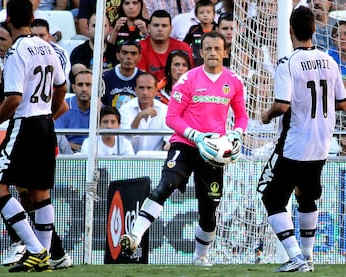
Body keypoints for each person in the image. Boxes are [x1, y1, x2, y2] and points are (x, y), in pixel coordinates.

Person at [119, 31, 248, 266]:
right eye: (208, 48)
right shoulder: (188, 80)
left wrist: (237, 135)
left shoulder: (234, 82)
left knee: (208, 210)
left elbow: (241, 117)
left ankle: (200, 257)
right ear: (200, 52)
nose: (212, 53)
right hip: (186, 144)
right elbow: (172, 117)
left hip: (213, 152)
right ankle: (135, 235)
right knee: (165, 185)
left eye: (217, 49)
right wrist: (195, 136)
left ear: (225, 52)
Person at [257, 6, 346, 273]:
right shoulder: (329, 61)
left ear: (290, 30)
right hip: (321, 144)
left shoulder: (288, 63)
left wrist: (265, 115)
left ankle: (296, 257)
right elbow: (342, 103)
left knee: (271, 197)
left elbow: (282, 105)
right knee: (306, 198)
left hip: (295, 143)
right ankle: (308, 257)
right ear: (315, 30)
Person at [0, 0, 68, 272]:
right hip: (45, 123)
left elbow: (14, 99)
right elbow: (62, 87)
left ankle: (36, 250)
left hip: (26, 123)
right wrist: (49, 115)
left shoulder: (16, 51)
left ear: (7, 20)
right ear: (32, 18)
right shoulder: (48, 47)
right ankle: (42, 257)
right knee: (40, 191)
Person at [119, 72, 171, 153]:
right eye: (141, 88)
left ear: (156, 90)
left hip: (157, 161)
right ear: (135, 90)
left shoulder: (164, 110)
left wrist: (168, 145)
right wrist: (139, 117)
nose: (145, 92)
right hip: (130, 160)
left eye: (149, 88)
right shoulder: (125, 109)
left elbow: (169, 138)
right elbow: (125, 140)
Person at [137, 9, 194, 81]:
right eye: (156, 25)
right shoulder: (139, 48)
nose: (160, 29)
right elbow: (141, 80)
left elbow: (191, 78)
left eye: (164, 26)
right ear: (148, 28)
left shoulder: (183, 48)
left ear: (171, 29)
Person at [55, 70, 91, 153]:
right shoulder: (63, 107)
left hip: (93, 152)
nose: (84, 89)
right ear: (74, 87)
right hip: (68, 153)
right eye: (80, 85)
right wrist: (83, 149)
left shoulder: (100, 108)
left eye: (88, 85)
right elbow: (58, 138)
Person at [30, 18, 71, 88]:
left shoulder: (60, 54)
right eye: (34, 36)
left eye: (42, 35)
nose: (38, 39)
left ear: (49, 36)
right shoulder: (23, 51)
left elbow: (61, 84)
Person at [102, 39, 142, 109]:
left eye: (133, 53)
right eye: (125, 53)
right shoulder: (105, 78)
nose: (129, 57)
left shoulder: (144, 79)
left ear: (139, 57)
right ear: (117, 56)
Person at [183, 0, 216, 66]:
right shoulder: (193, 29)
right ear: (196, 15)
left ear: (214, 14)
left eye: (208, 12)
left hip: (214, 62)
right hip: (196, 63)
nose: (205, 15)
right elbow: (184, 45)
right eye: (201, 13)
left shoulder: (217, 29)